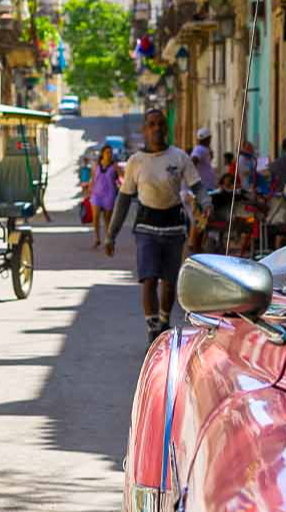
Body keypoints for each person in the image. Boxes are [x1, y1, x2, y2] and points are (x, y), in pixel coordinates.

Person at [106, 109, 210, 341]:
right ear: (144, 129)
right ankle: (152, 329)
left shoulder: (179, 157)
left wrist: (206, 202)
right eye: (152, 124)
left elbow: (197, 186)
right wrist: (111, 234)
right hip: (146, 227)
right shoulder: (136, 161)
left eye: (161, 124)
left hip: (173, 226)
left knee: (169, 282)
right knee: (149, 278)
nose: (157, 129)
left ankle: (164, 321)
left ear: (166, 128)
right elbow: (123, 199)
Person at [88, 146, 121, 248]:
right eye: (107, 152)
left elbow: (122, 177)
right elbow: (93, 179)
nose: (109, 154)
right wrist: (89, 190)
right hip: (96, 195)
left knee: (107, 219)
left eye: (110, 153)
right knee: (96, 217)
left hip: (109, 195)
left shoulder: (114, 166)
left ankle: (108, 239)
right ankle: (97, 238)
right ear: (102, 153)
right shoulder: (96, 166)